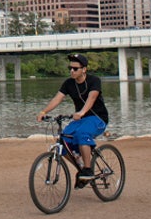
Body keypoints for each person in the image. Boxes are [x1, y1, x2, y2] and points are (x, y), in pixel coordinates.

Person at [36, 53, 109, 183]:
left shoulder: (94, 81)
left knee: (82, 133)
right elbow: (57, 98)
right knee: (63, 139)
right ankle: (80, 166)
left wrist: (81, 112)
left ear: (84, 69)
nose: (72, 71)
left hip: (97, 118)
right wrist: (44, 111)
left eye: (75, 69)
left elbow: (91, 98)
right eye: (70, 68)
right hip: (80, 119)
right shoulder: (69, 83)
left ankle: (88, 169)